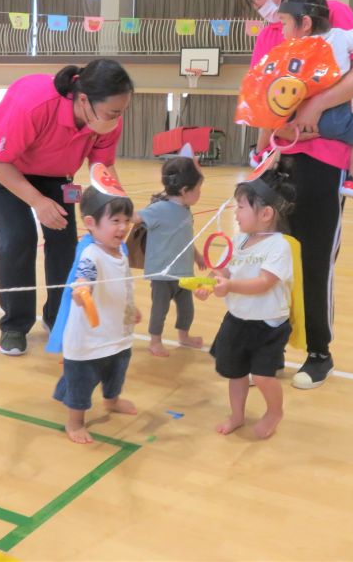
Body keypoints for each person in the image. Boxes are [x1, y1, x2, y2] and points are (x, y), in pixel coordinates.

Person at [236, 0, 353, 389]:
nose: (258, 8)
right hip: (282, 159)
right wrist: (259, 153)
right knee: (274, 256)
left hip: (326, 156)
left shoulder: (332, 11)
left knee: (315, 260)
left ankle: (319, 352)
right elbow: (263, 97)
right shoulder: (268, 36)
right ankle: (274, 344)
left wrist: (315, 105)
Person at [0, 59, 133, 356]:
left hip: (56, 173)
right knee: (19, 239)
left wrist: (119, 205)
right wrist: (37, 201)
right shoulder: (34, 104)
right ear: (83, 100)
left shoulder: (107, 119)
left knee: (63, 241)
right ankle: (14, 325)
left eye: (121, 111)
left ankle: (57, 317)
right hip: (1, 166)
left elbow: (102, 165)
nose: (117, 119)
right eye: (113, 112)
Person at [194, 169, 297, 439]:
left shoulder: (278, 246)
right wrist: (209, 283)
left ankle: (274, 412)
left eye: (240, 207)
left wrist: (229, 286)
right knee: (235, 372)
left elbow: (264, 282)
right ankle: (237, 415)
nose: (236, 213)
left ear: (265, 214)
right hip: (237, 319)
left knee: (263, 377)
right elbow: (225, 272)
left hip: (268, 326)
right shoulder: (239, 240)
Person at [261, 0, 353, 199]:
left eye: (285, 23)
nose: (283, 29)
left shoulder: (289, 49)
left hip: (296, 117)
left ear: (305, 23)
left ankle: (260, 153)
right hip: (334, 118)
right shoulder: (339, 36)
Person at [52, 187, 141, 444]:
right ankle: (75, 421)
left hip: (116, 332)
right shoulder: (91, 255)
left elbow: (122, 284)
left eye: (126, 220)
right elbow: (84, 279)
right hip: (89, 338)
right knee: (82, 380)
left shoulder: (119, 251)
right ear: (91, 223)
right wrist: (81, 293)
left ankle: (111, 400)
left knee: (116, 370)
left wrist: (130, 307)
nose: (123, 227)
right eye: (115, 221)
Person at [132, 156, 206, 357]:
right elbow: (134, 217)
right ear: (184, 191)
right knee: (160, 310)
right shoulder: (158, 210)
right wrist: (115, 201)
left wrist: (197, 256)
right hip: (162, 275)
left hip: (183, 273)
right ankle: (155, 341)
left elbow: (185, 239)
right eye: (198, 189)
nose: (200, 193)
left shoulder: (185, 210)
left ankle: (184, 335)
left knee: (187, 309)